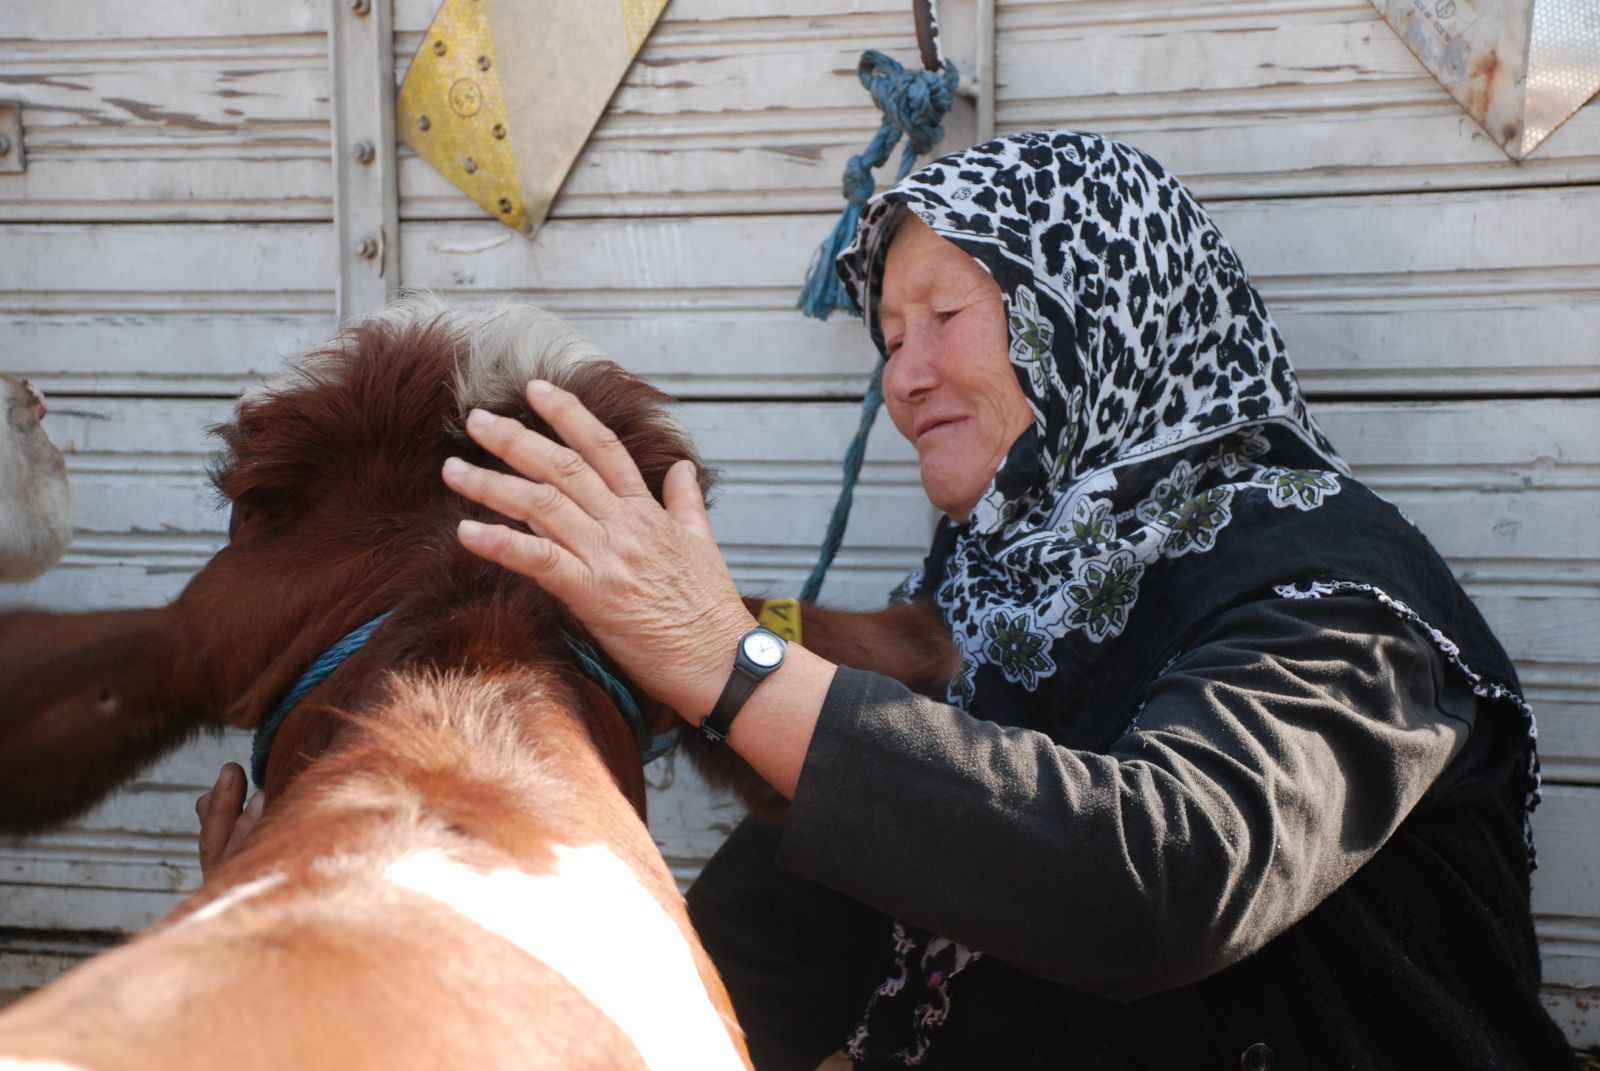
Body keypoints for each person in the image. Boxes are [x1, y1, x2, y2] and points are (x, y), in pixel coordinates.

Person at [199, 131, 1576, 1069]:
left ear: (1095, 313)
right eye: (888, 335)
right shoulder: (997, 596)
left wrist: (731, 664)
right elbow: (818, 900)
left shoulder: (1341, 594)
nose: (902, 375)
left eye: (947, 316)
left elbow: (1165, 875)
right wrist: (333, 951)